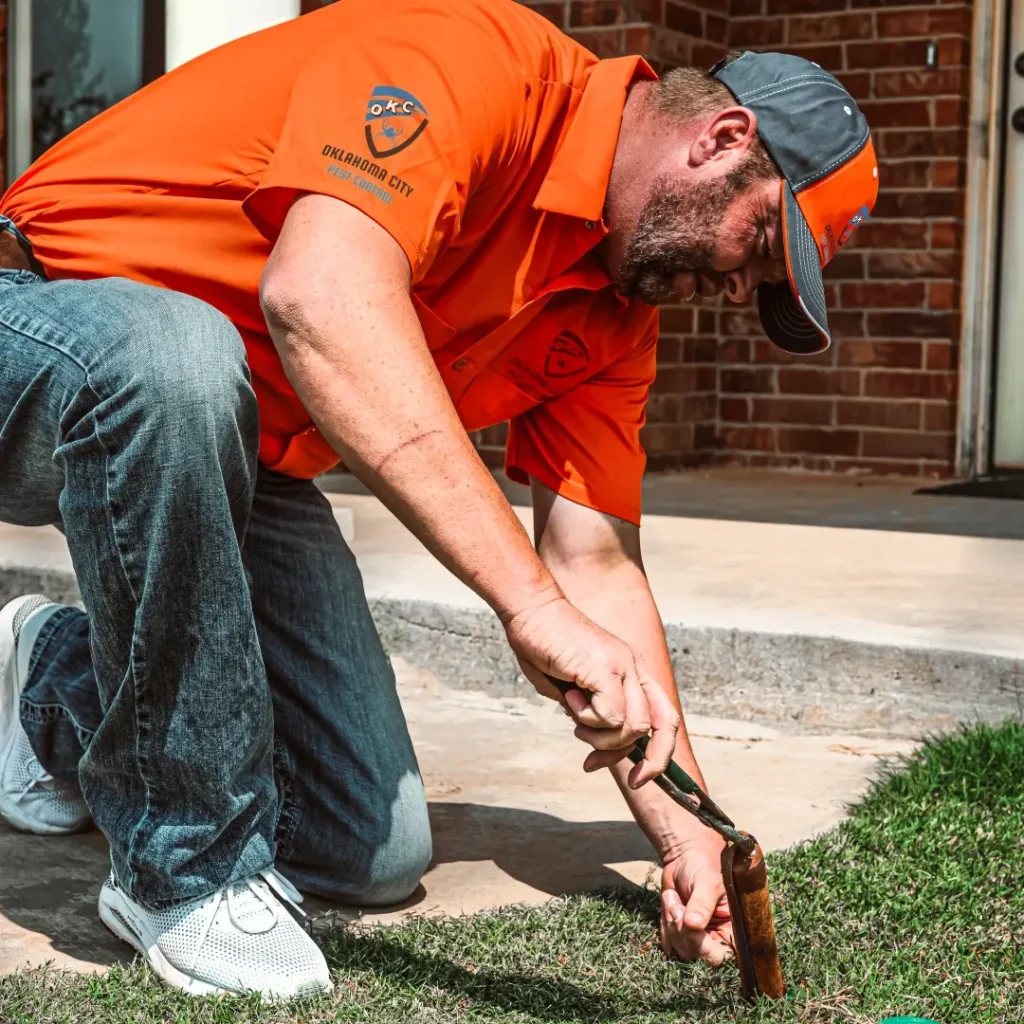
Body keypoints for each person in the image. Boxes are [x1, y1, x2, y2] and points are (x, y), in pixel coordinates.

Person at [0, 0, 877, 1001]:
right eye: (757, 243)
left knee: (366, 847)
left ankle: (50, 683)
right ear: (721, 139)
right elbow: (319, 298)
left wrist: (692, 836)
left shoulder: (614, 316)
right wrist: (529, 607)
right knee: (173, 350)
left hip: (231, 443)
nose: (735, 287)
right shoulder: (478, 63)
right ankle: (187, 874)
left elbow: (593, 563)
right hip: (38, 315)